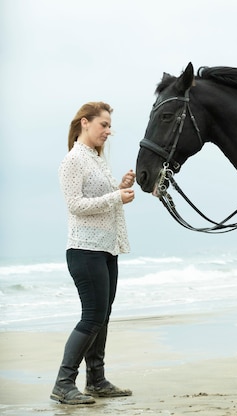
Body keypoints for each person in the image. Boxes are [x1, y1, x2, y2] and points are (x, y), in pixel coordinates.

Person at [51, 102, 135, 405]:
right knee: (92, 317)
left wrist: (119, 187)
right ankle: (63, 383)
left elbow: (100, 196)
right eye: (104, 125)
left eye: (110, 126)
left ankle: (96, 381)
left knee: (103, 316)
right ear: (85, 123)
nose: (109, 131)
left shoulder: (97, 159)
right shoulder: (74, 160)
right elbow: (75, 204)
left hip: (105, 248)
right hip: (84, 251)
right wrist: (115, 196)